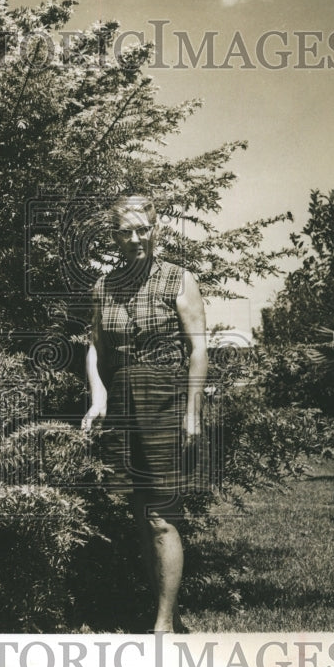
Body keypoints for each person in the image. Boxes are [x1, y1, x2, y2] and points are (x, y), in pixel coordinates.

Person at [81, 193, 208, 633]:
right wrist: (99, 398)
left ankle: (163, 627)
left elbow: (198, 348)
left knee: (161, 517)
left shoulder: (180, 280)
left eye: (143, 229)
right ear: (114, 236)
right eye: (125, 231)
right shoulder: (103, 287)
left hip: (166, 399)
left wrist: (192, 412)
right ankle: (159, 611)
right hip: (125, 403)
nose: (134, 239)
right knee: (140, 514)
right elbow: (96, 347)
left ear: (157, 230)